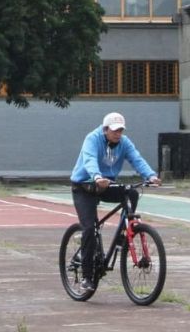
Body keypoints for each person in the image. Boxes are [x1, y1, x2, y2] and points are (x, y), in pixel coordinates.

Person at [68, 112, 161, 293]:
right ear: (105, 130)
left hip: (106, 185)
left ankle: (124, 233)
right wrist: (96, 176)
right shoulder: (93, 139)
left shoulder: (124, 143)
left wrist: (150, 175)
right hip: (84, 186)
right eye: (114, 131)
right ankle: (87, 277)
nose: (118, 134)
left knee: (132, 194)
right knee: (89, 228)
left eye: (120, 130)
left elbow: (136, 159)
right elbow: (89, 159)